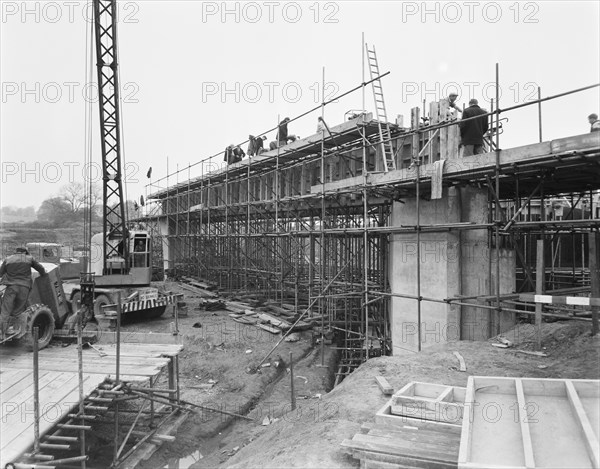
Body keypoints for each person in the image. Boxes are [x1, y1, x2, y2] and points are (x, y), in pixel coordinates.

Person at [0, 247, 46, 339]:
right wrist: (43, 274)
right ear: (25, 252)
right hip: (24, 287)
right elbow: (40, 268)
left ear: (15, 252)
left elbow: (0, 273)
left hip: (11, 287)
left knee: (5, 310)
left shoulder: (8, 259)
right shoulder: (29, 258)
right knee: (18, 310)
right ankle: (14, 329)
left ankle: (2, 332)